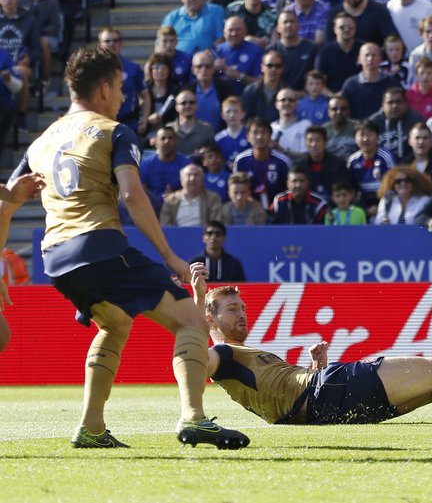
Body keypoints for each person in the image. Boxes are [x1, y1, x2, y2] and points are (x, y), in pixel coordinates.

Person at [0, 46, 247, 448]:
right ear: (102, 89)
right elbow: (132, 195)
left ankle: (91, 427)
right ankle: (195, 418)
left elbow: (6, 204)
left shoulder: (40, 142)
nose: (121, 97)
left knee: (115, 323)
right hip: (96, 244)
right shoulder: (114, 131)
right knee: (191, 320)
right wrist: (170, 257)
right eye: (117, 88)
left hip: (55, 258)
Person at [190, 265, 432, 425]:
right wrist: (196, 300)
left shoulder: (241, 358)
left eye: (243, 307)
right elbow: (193, 355)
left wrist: (316, 365)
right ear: (210, 320)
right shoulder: (221, 356)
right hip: (328, 392)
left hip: (323, 407)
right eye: (231, 310)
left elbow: (283, 396)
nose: (242, 315)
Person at [159, 163, 224, 227]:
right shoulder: (170, 200)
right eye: (189, 175)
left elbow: (215, 225)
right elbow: (165, 226)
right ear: (181, 180)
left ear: (202, 180)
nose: (192, 178)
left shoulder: (212, 198)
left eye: (196, 175)